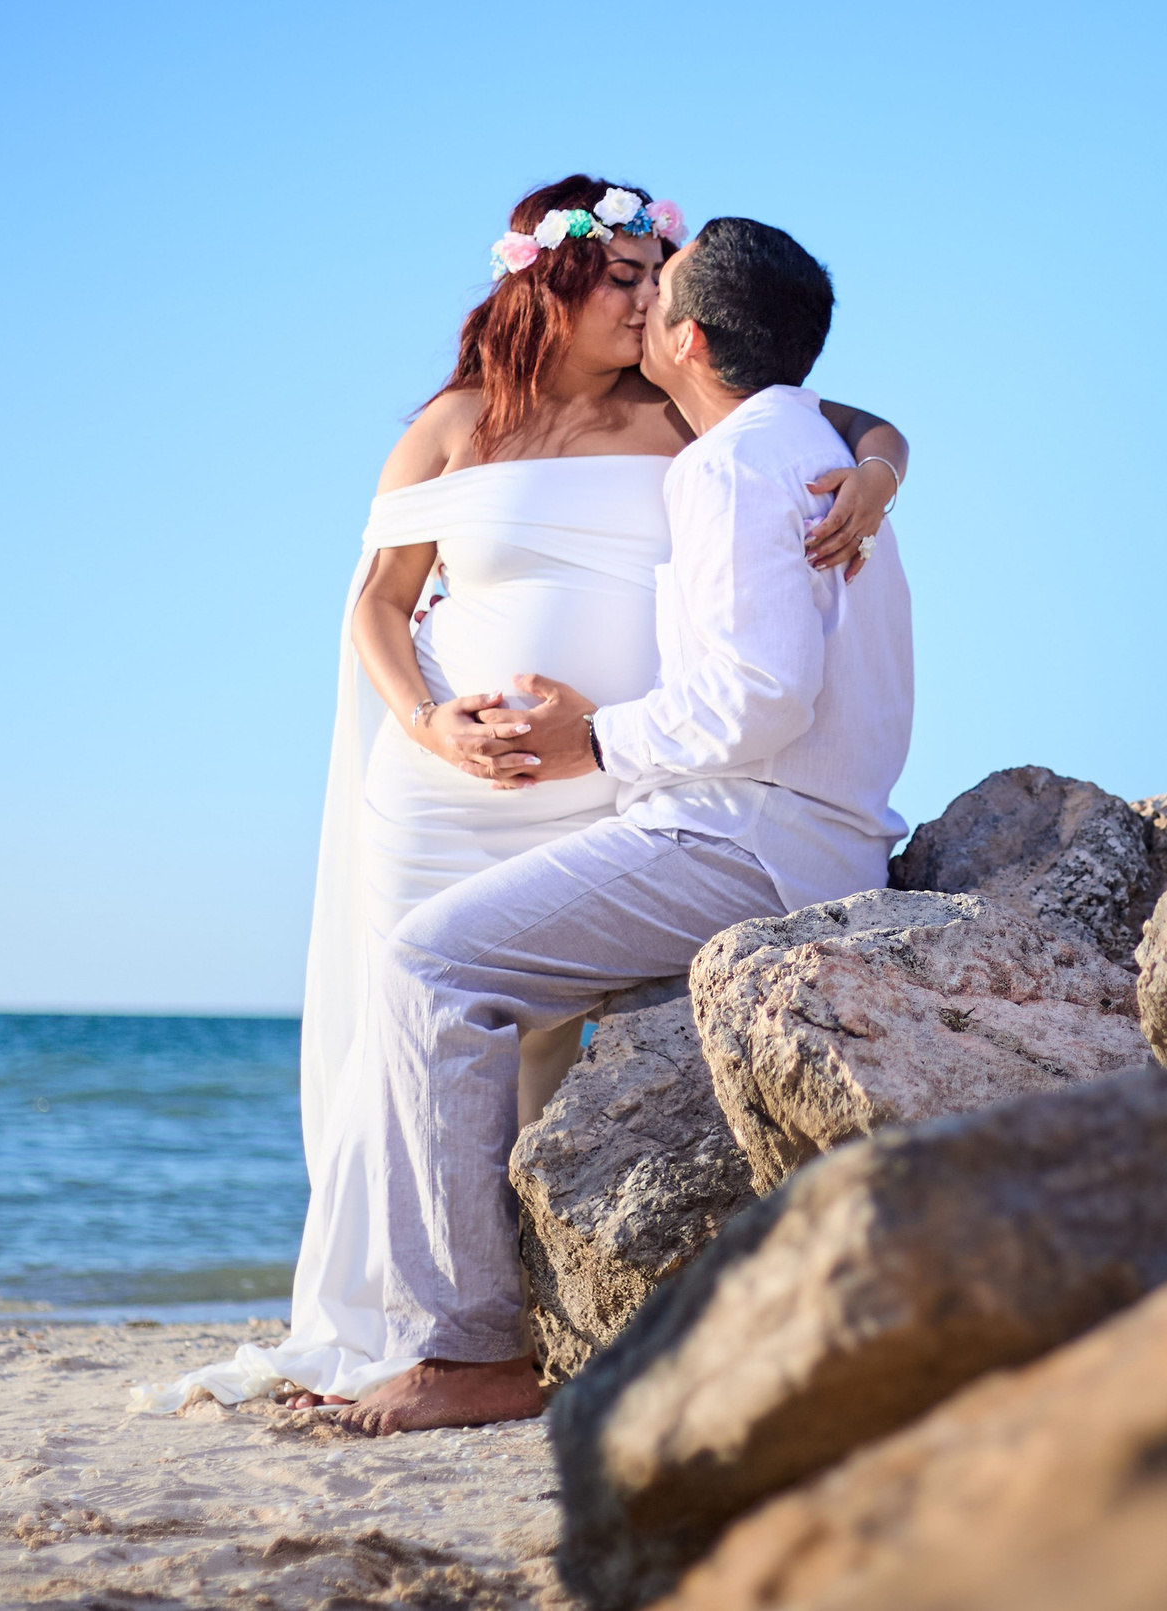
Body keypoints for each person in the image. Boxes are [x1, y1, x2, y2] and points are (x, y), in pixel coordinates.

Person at [128, 183, 907, 1417]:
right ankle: (408, 1329)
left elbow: (813, 413)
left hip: (657, 792)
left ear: (690, 335)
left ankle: (483, 1345)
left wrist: (881, 466)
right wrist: (432, 721)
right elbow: (377, 604)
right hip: (482, 788)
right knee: (416, 1017)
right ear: (544, 281)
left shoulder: (709, 436)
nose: (646, 296)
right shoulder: (459, 427)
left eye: (663, 278)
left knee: (470, 1005)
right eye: (621, 274)